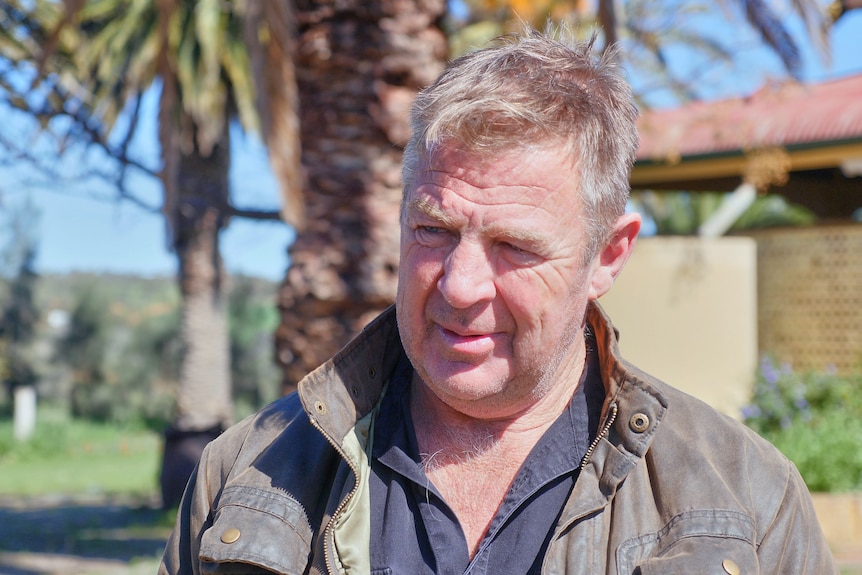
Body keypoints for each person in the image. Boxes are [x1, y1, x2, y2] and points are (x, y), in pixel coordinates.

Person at [159, 26, 837, 575]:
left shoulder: (746, 500)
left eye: (514, 245)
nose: (458, 284)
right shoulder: (247, 475)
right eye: (433, 229)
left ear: (608, 255)